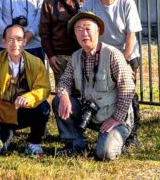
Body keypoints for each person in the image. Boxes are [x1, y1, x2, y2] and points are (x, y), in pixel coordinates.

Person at [53, 12, 134, 161]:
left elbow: (128, 87)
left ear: (98, 31)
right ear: (75, 34)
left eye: (88, 28)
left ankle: (117, 140)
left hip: (115, 117)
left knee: (104, 154)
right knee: (59, 100)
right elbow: (64, 81)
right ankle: (76, 143)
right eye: (79, 29)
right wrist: (64, 95)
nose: (84, 33)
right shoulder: (75, 57)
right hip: (90, 114)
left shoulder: (112, 54)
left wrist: (117, 118)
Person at [82, 0, 142, 146]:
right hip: (101, 53)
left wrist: (124, 61)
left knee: (127, 90)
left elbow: (131, 34)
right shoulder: (90, 5)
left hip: (126, 52)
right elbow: (85, 30)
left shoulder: (126, 2)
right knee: (102, 90)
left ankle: (132, 132)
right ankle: (101, 124)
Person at [0, 24, 51, 157]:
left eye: (19, 39)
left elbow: (43, 88)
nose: (15, 44)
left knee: (43, 107)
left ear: (25, 41)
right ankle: (4, 136)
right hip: (0, 114)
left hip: (24, 112)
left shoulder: (36, 63)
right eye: (10, 39)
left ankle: (34, 142)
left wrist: (28, 98)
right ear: (3, 42)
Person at [39, 0, 92, 86]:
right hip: (60, 57)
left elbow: (95, 27)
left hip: (84, 54)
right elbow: (44, 31)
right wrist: (50, 55)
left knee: (86, 91)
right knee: (64, 91)